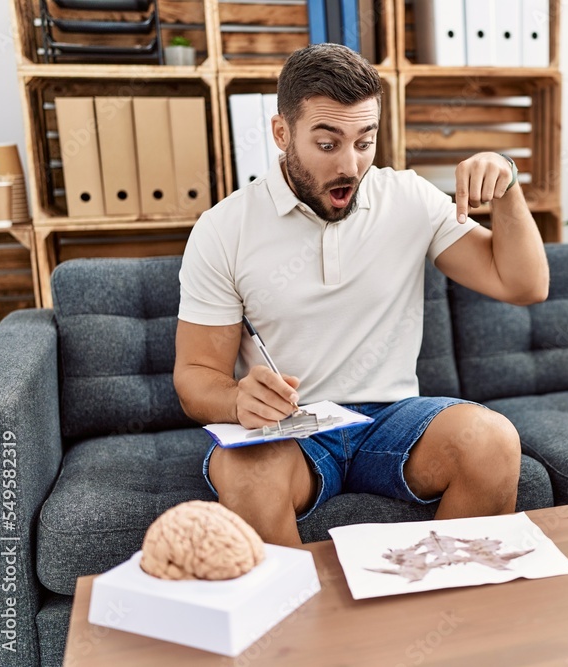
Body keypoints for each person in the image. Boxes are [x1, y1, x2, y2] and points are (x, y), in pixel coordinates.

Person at [173, 44, 549, 547]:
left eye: (364, 142)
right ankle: (296, 624)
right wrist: (238, 398)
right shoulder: (224, 229)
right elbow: (195, 378)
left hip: (393, 420)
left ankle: (447, 616)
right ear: (281, 133)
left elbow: (524, 284)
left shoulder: (408, 198)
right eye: (328, 144)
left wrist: (506, 186)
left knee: (493, 439)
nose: (350, 166)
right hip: (292, 428)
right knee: (246, 473)